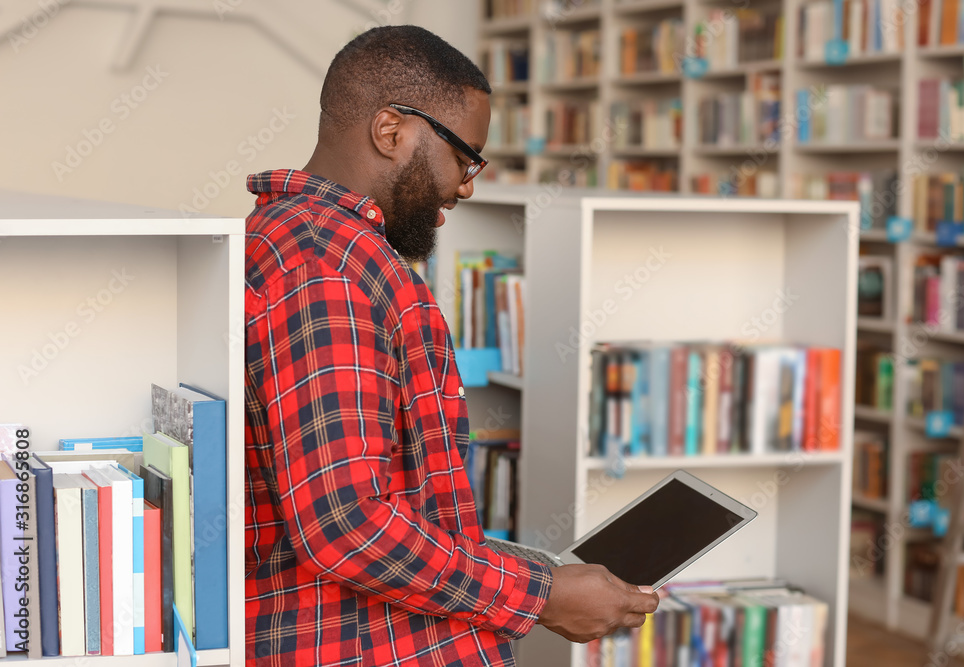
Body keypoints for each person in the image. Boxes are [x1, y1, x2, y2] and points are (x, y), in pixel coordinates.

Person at [243, 25, 659, 666]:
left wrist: (535, 574)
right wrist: (540, 596)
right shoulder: (329, 270)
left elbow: (390, 501)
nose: (467, 186)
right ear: (391, 132)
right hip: (359, 643)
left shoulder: (294, 241)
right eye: (466, 157)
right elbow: (345, 526)